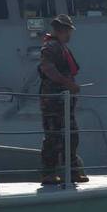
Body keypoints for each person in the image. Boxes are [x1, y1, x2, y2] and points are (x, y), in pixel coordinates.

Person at [38, 14, 88, 186]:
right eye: (68, 31)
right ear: (62, 30)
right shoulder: (51, 47)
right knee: (53, 136)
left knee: (71, 135)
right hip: (53, 101)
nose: (69, 34)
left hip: (64, 101)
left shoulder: (61, 47)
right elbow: (48, 69)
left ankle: (72, 171)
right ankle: (49, 173)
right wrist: (68, 84)